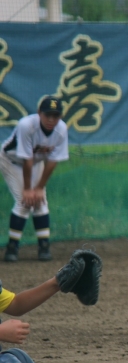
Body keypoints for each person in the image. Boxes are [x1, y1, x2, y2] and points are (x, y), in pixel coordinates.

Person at [0, 96, 69, 262]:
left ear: (60, 116)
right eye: (47, 115)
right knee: (24, 201)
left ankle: (44, 246)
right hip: (10, 160)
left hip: (36, 162)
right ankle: (12, 248)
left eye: (55, 115)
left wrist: (38, 188)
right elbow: (27, 159)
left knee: (40, 200)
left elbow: (52, 161)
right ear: (39, 113)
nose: (51, 119)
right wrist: (27, 189)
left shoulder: (61, 129)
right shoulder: (26, 125)